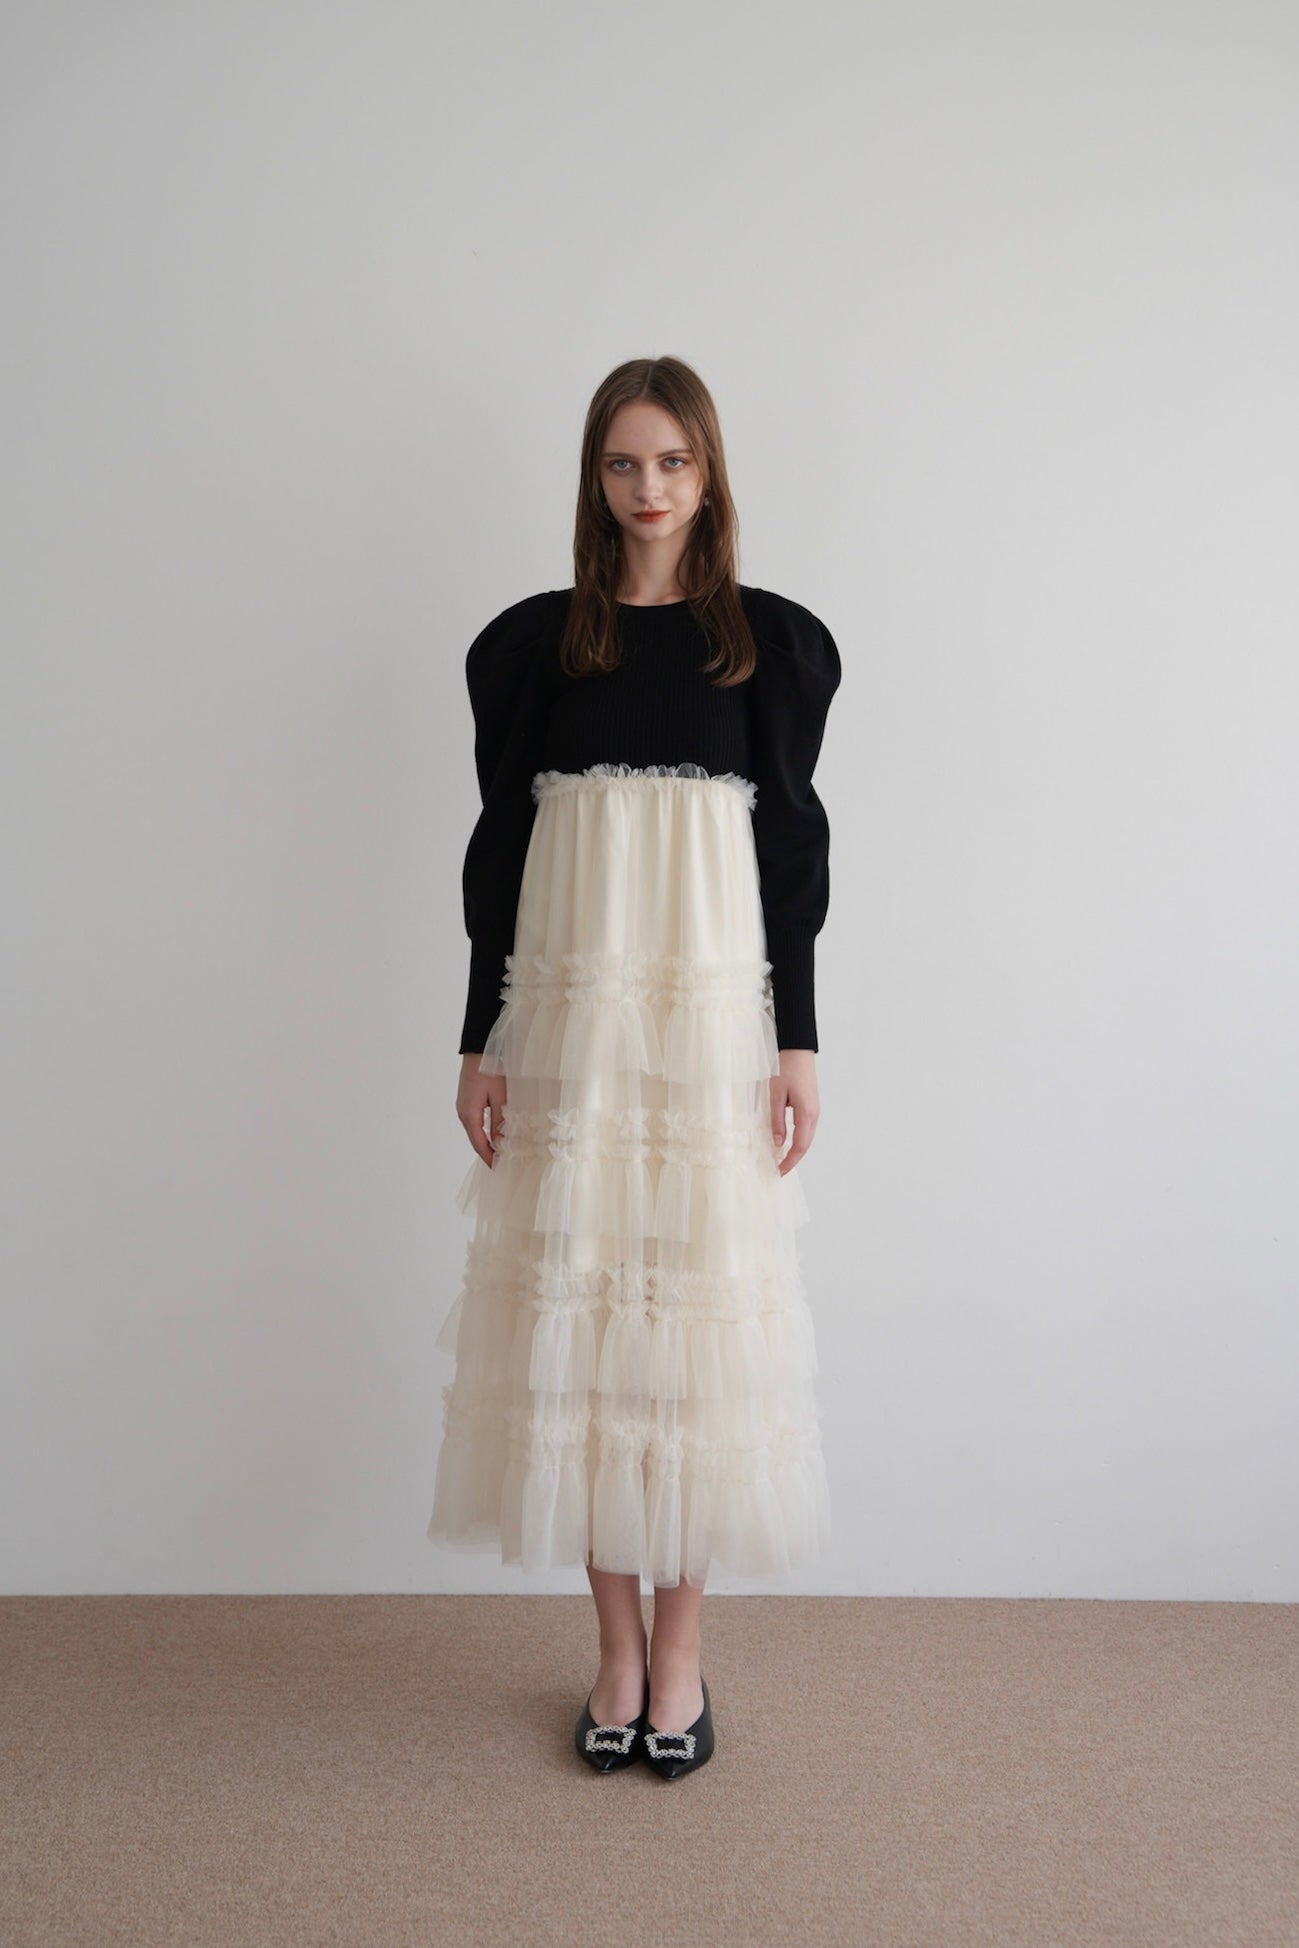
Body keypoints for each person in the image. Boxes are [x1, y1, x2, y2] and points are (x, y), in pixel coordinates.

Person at [427, 355, 841, 1780]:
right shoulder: (533, 648)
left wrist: (795, 1044)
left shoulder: (768, 647)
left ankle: (682, 1656)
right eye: (622, 463)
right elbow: (499, 852)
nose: (648, 487)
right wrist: (479, 1038)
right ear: (594, 480)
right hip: (574, 1038)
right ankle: (613, 1650)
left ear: (708, 473)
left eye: (672, 461)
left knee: (691, 1341)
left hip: (706, 1043)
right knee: (585, 1331)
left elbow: (792, 853)